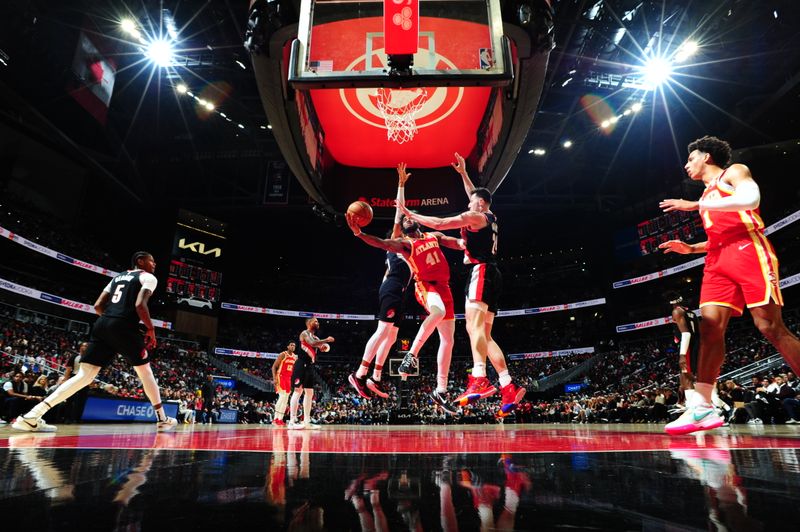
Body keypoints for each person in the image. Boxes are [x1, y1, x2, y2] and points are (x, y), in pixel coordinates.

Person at [659, 135, 800, 435]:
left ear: (706, 157)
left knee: (769, 327)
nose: (686, 165)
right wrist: (691, 249)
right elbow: (717, 236)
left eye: (691, 158)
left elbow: (751, 200)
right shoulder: (708, 195)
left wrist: (697, 204)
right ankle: (703, 406)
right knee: (709, 328)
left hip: (748, 250)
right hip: (716, 258)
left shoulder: (734, 172)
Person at [399, 153, 525, 414]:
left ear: (479, 204)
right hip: (494, 274)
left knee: (472, 327)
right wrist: (463, 174)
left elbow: (442, 223)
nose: (468, 204)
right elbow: (476, 195)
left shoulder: (475, 217)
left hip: (480, 272)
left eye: (471, 202)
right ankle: (507, 384)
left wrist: (411, 214)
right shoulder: (489, 214)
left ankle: (479, 378)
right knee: (486, 335)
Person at [12, 251, 178, 432]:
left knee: (84, 376)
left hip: (102, 324)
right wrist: (151, 329)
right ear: (140, 261)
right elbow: (140, 304)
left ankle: (32, 416)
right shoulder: (148, 277)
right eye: (151, 260)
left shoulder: (117, 278)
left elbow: (98, 305)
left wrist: (110, 322)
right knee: (145, 372)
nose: (154, 264)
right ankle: (162, 418)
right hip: (123, 326)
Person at [346, 208, 463, 414]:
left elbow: (451, 240)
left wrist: (466, 245)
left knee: (448, 340)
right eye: (403, 219)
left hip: (444, 286)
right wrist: (359, 234)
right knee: (437, 313)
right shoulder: (405, 245)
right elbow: (382, 243)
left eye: (410, 216)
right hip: (426, 285)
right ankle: (410, 356)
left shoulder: (433, 236)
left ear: (418, 219)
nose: (406, 220)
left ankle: (441, 390)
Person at [348, 163, 413, 401]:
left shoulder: (414, 244)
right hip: (392, 287)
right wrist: (401, 185)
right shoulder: (396, 240)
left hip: (401, 290)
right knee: (383, 329)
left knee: (393, 335)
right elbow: (400, 211)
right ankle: (360, 373)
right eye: (403, 224)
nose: (405, 222)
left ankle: (375, 377)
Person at [288, 318, 334, 429]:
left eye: (318, 322)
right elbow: (312, 343)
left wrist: (324, 347)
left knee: (309, 393)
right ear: (309, 323)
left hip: (309, 366)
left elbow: (320, 346)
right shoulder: (304, 333)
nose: (317, 323)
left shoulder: (316, 337)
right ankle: (292, 421)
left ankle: (307, 421)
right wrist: (326, 340)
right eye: (315, 321)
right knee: (298, 391)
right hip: (300, 364)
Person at [667, 294, 700, 412]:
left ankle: (693, 409)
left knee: (687, 378)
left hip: (688, 346)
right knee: (684, 378)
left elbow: (686, 334)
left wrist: (682, 355)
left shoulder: (677, 311)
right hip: (696, 344)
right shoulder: (691, 312)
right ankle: (688, 405)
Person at [272, 341, 298, 426]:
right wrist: (274, 378)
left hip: (289, 379)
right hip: (281, 377)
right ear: (288, 346)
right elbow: (274, 367)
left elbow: (294, 370)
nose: (293, 347)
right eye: (291, 345)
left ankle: (280, 419)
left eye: (294, 345)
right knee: (282, 397)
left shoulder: (295, 357)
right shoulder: (283, 354)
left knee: (286, 399)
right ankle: (275, 418)